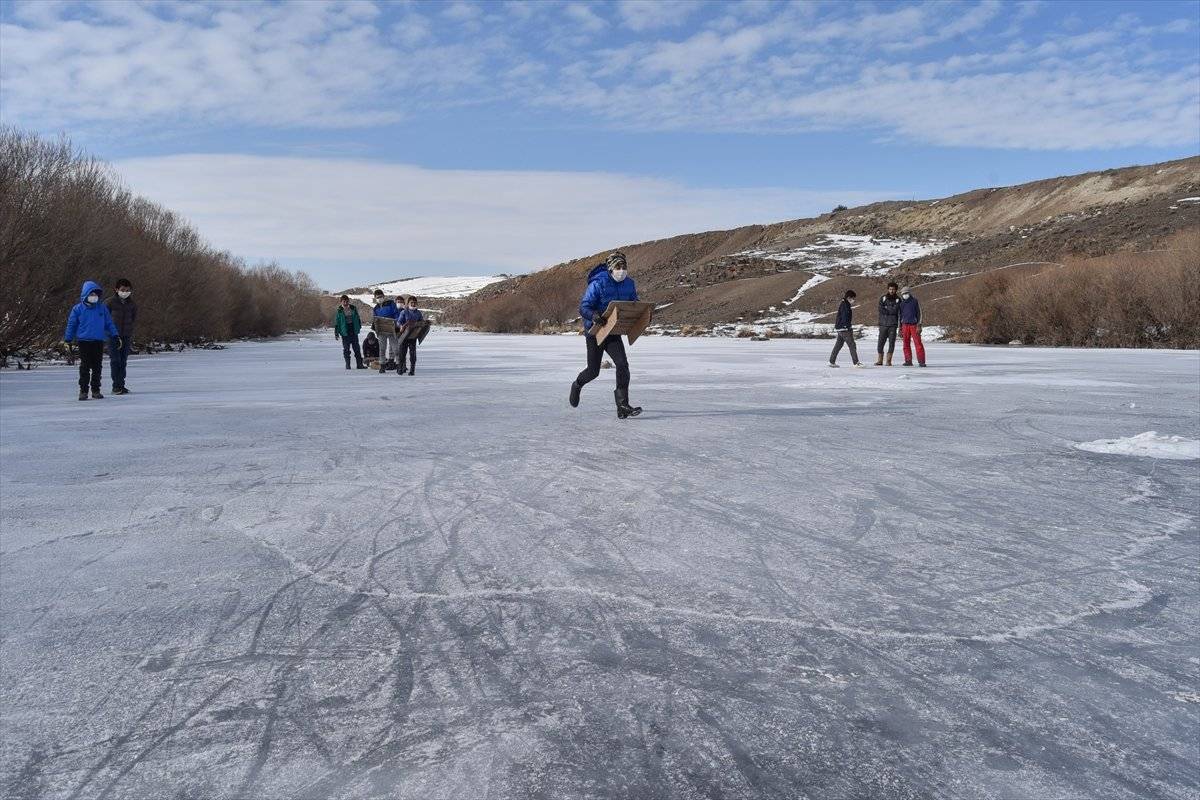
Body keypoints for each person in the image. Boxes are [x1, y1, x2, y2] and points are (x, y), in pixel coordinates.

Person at [569, 251, 642, 419]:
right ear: (610, 268)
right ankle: (577, 384)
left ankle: (623, 405)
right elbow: (584, 306)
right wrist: (594, 315)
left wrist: (640, 312)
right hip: (595, 331)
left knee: (622, 364)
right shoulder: (598, 283)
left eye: (624, 267)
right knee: (593, 371)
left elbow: (633, 302)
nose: (621, 270)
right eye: (618, 266)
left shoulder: (629, 284)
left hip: (613, 331)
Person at [63, 280, 120, 401]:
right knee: (85, 367)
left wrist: (115, 335)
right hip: (84, 341)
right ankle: (83, 390)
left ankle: (96, 390)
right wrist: (68, 340)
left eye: (96, 294)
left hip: (98, 341)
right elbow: (71, 324)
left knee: (97, 367)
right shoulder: (77, 309)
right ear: (85, 294)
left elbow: (109, 323)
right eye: (91, 294)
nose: (94, 297)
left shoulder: (102, 308)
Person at [105, 278, 137, 393]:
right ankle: (116, 386)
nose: (125, 292)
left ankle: (121, 384)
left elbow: (133, 318)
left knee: (123, 361)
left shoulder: (132, 304)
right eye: (123, 290)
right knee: (115, 360)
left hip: (126, 335)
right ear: (117, 289)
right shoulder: (109, 302)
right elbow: (104, 318)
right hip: (113, 336)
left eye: (128, 290)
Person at [829, 289, 863, 367]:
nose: (853, 300)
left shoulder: (844, 303)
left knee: (838, 345)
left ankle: (831, 362)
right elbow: (845, 317)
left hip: (840, 328)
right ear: (848, 297)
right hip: (844, 329)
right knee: (852, 345)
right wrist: (846, 326)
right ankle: (856, 362)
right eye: (853, 298)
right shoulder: (845, 305)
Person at [333, 295, 365, 370]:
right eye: (344, 301)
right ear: (341, 302)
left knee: (357, 349)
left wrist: (359, 326)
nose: (345, 303)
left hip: (353, 331)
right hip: (345, 333)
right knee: (346, 349)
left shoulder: (353, 308)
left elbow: (357, 318)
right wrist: (336, 333)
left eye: (347, 301)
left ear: (348, 301)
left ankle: (359, 365)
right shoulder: (339, 310)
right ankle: (348, 365)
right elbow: (337, 322)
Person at [371, 289, 400, 373]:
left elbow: (396, 313)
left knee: (396, 349)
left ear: (383, 296)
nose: (379, 298)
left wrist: (396, 323)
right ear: (375, 298)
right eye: (377, 297)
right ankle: (382, 366)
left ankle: (398, 365)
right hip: (381, 331)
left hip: (392, 329)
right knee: (382, 349)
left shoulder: (391, 303)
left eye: (381, 296)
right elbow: (375, 319)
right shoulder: (375, 308)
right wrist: (374, 325)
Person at [899, 286, 926, 367]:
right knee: (905, 344)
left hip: (914, 325)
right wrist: (899, 328)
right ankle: (908, 361)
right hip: (904, 325)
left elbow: (920, 313)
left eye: (906, 293)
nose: (905, 295)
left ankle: (921, 361)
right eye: (903, 293)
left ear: (909, 293)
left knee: (918, 343)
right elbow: (899, 316)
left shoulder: (915, 301)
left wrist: (919, 325)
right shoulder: (901, 303)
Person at [875, 281, 901, 366]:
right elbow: (880, 309)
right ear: (888, 289)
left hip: (892, 325)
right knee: (880, 343)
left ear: (896, 290)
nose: (891, 291)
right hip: (883, 325)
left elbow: (896, 310)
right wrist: (890, 310)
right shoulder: (883, 298)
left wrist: (887, 309)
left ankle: (888, 361)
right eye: (890, 289)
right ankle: (880, 360)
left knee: (891, 343)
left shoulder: (898, 299)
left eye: (893, 289)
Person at [397, 297, 423, 376]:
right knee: (402, 353)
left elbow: (421, 322)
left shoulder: (418, 313)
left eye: (415, 302)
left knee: (412, 353)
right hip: (404, 336)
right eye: (411, 302)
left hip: (413, 336)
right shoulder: (404, 312)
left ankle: (412, 369)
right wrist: (401, 326)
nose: (413, 304)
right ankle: (401, 368)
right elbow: (399, 322)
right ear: (408, 303)